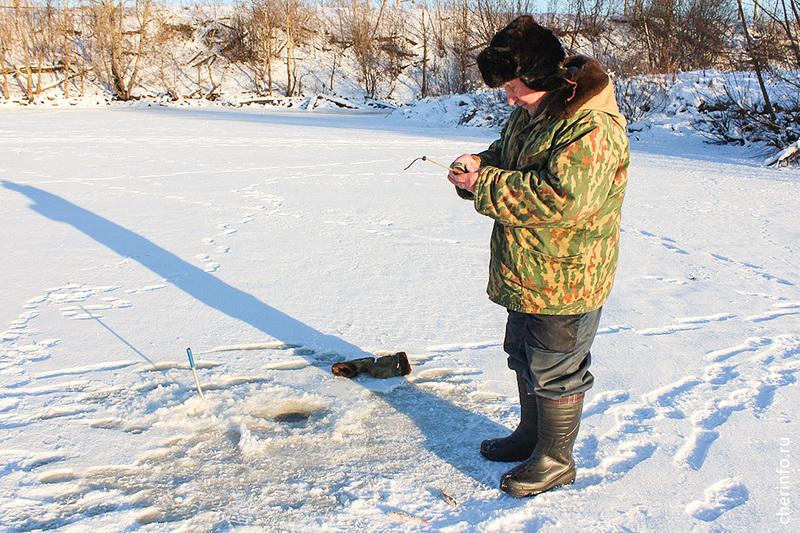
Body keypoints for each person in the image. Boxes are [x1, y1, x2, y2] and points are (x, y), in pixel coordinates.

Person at [447, 15, 630, 498]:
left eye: (514, 87)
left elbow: (563, 199)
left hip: (566, 275)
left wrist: (484, 185)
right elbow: (507, 153)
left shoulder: (590, 125)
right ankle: (532, 436)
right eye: (504, 87)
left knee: (556, 367)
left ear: (543, 77)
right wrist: (479, 165)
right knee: (523, 356)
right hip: (525, 268)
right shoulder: (534, 109)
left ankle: (555, 459)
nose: (508, 98)